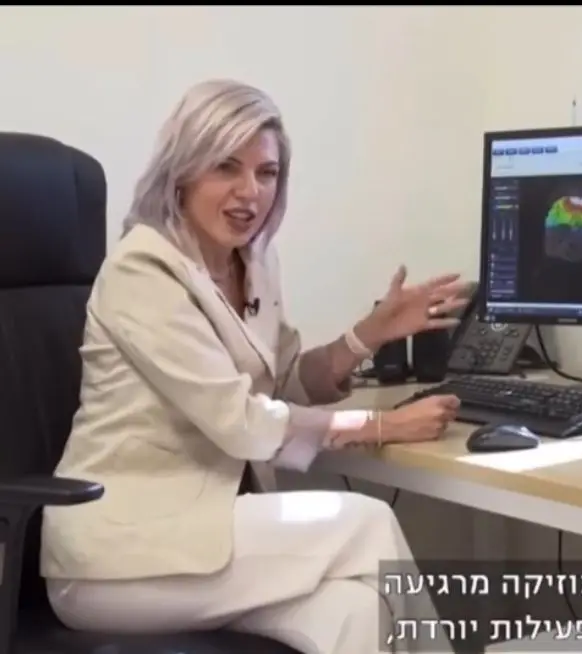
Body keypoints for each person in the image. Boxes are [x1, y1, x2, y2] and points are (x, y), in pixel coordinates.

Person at [40, 78, 466, 653]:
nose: (250, 192)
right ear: (183, 170)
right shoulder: (141, 271)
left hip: (205, 533)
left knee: (356, 610)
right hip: (116, 553)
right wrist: (380, 426)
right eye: (226, 167)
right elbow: (241, 421)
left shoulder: (254, 264)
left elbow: (286, 382)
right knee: (367, 525)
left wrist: (371, 333)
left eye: (267, 173)